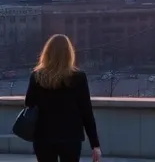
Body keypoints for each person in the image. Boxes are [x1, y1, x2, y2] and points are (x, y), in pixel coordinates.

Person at [23, 34, 100, 162]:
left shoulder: (37, 76)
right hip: (70, 136)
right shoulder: (78, 77)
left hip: (43, 135)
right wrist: (95, 144)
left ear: (47, 53)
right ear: (69, 54)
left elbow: (29, 103)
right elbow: (86, 112)